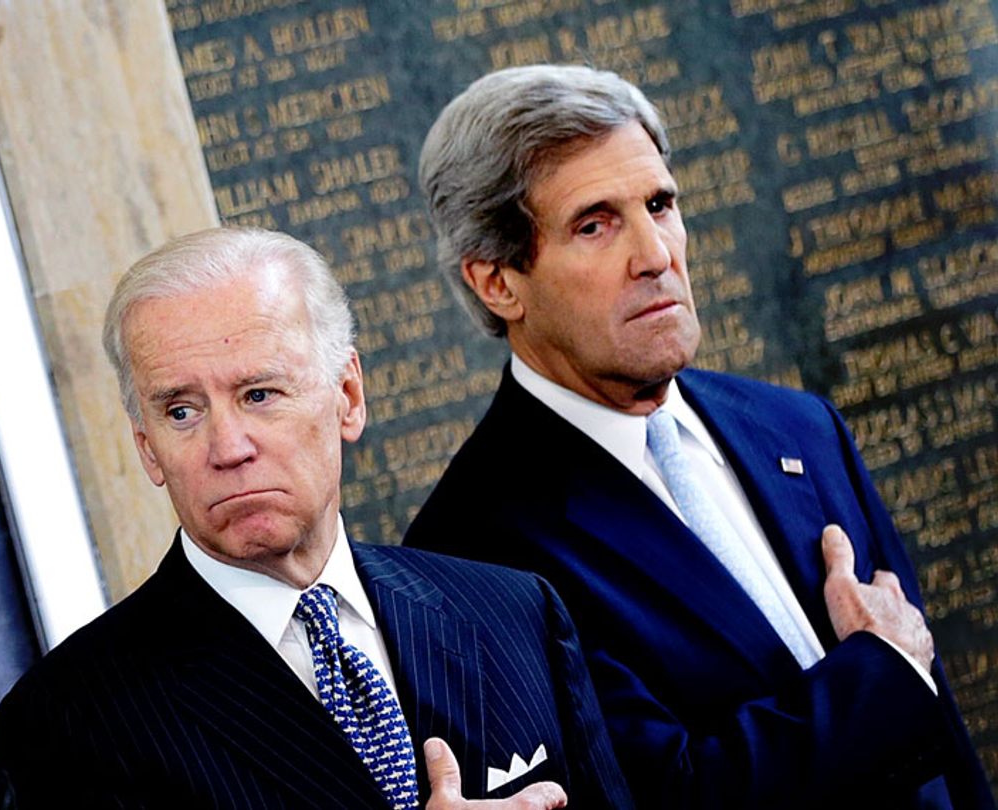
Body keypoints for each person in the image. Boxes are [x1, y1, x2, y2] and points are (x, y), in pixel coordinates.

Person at [403, 64, 993, 809]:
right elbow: (672, 793)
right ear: (498, 283)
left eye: (660, 203)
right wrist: (884, 670)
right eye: (595, 224)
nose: (655, 254)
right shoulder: (467, 555)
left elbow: (948, 747)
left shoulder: (798, 427)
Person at [0, 227, 633, 809]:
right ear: (148, 449)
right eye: (182, 412)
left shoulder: (515, 613)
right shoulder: (74, 718)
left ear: (347, 398)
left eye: (259, 395)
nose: (229, 448)